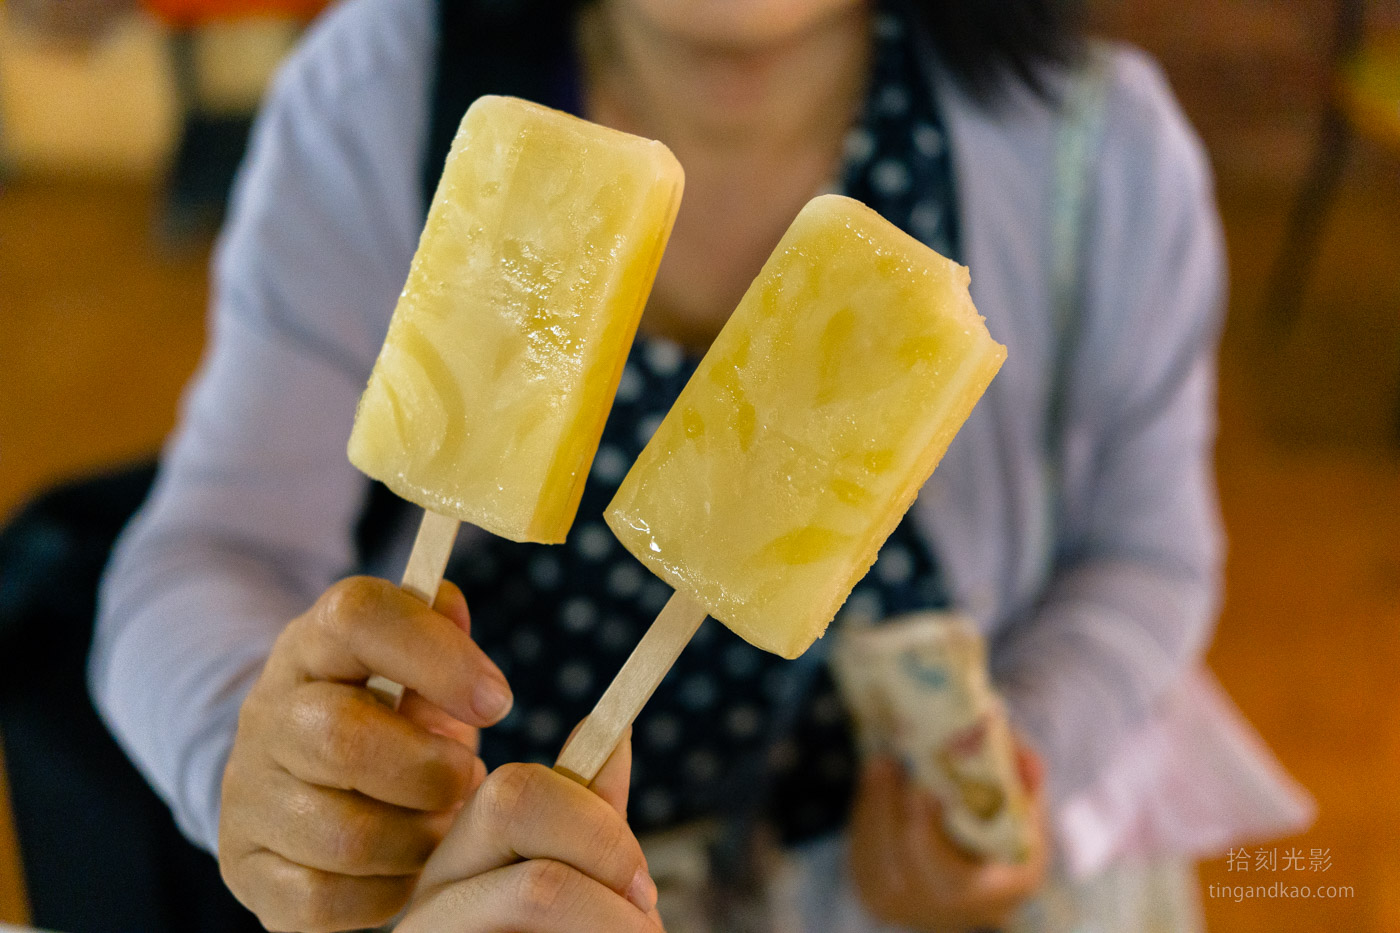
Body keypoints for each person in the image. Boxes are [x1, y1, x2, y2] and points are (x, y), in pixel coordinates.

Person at [92, 0, 1244, 930]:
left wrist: (986, 783)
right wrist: (265, 759)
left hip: (880, 883)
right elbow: (201, 552)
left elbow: (1146, 556)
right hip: (465, 883)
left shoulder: (1101, 160)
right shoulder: (372, 90)